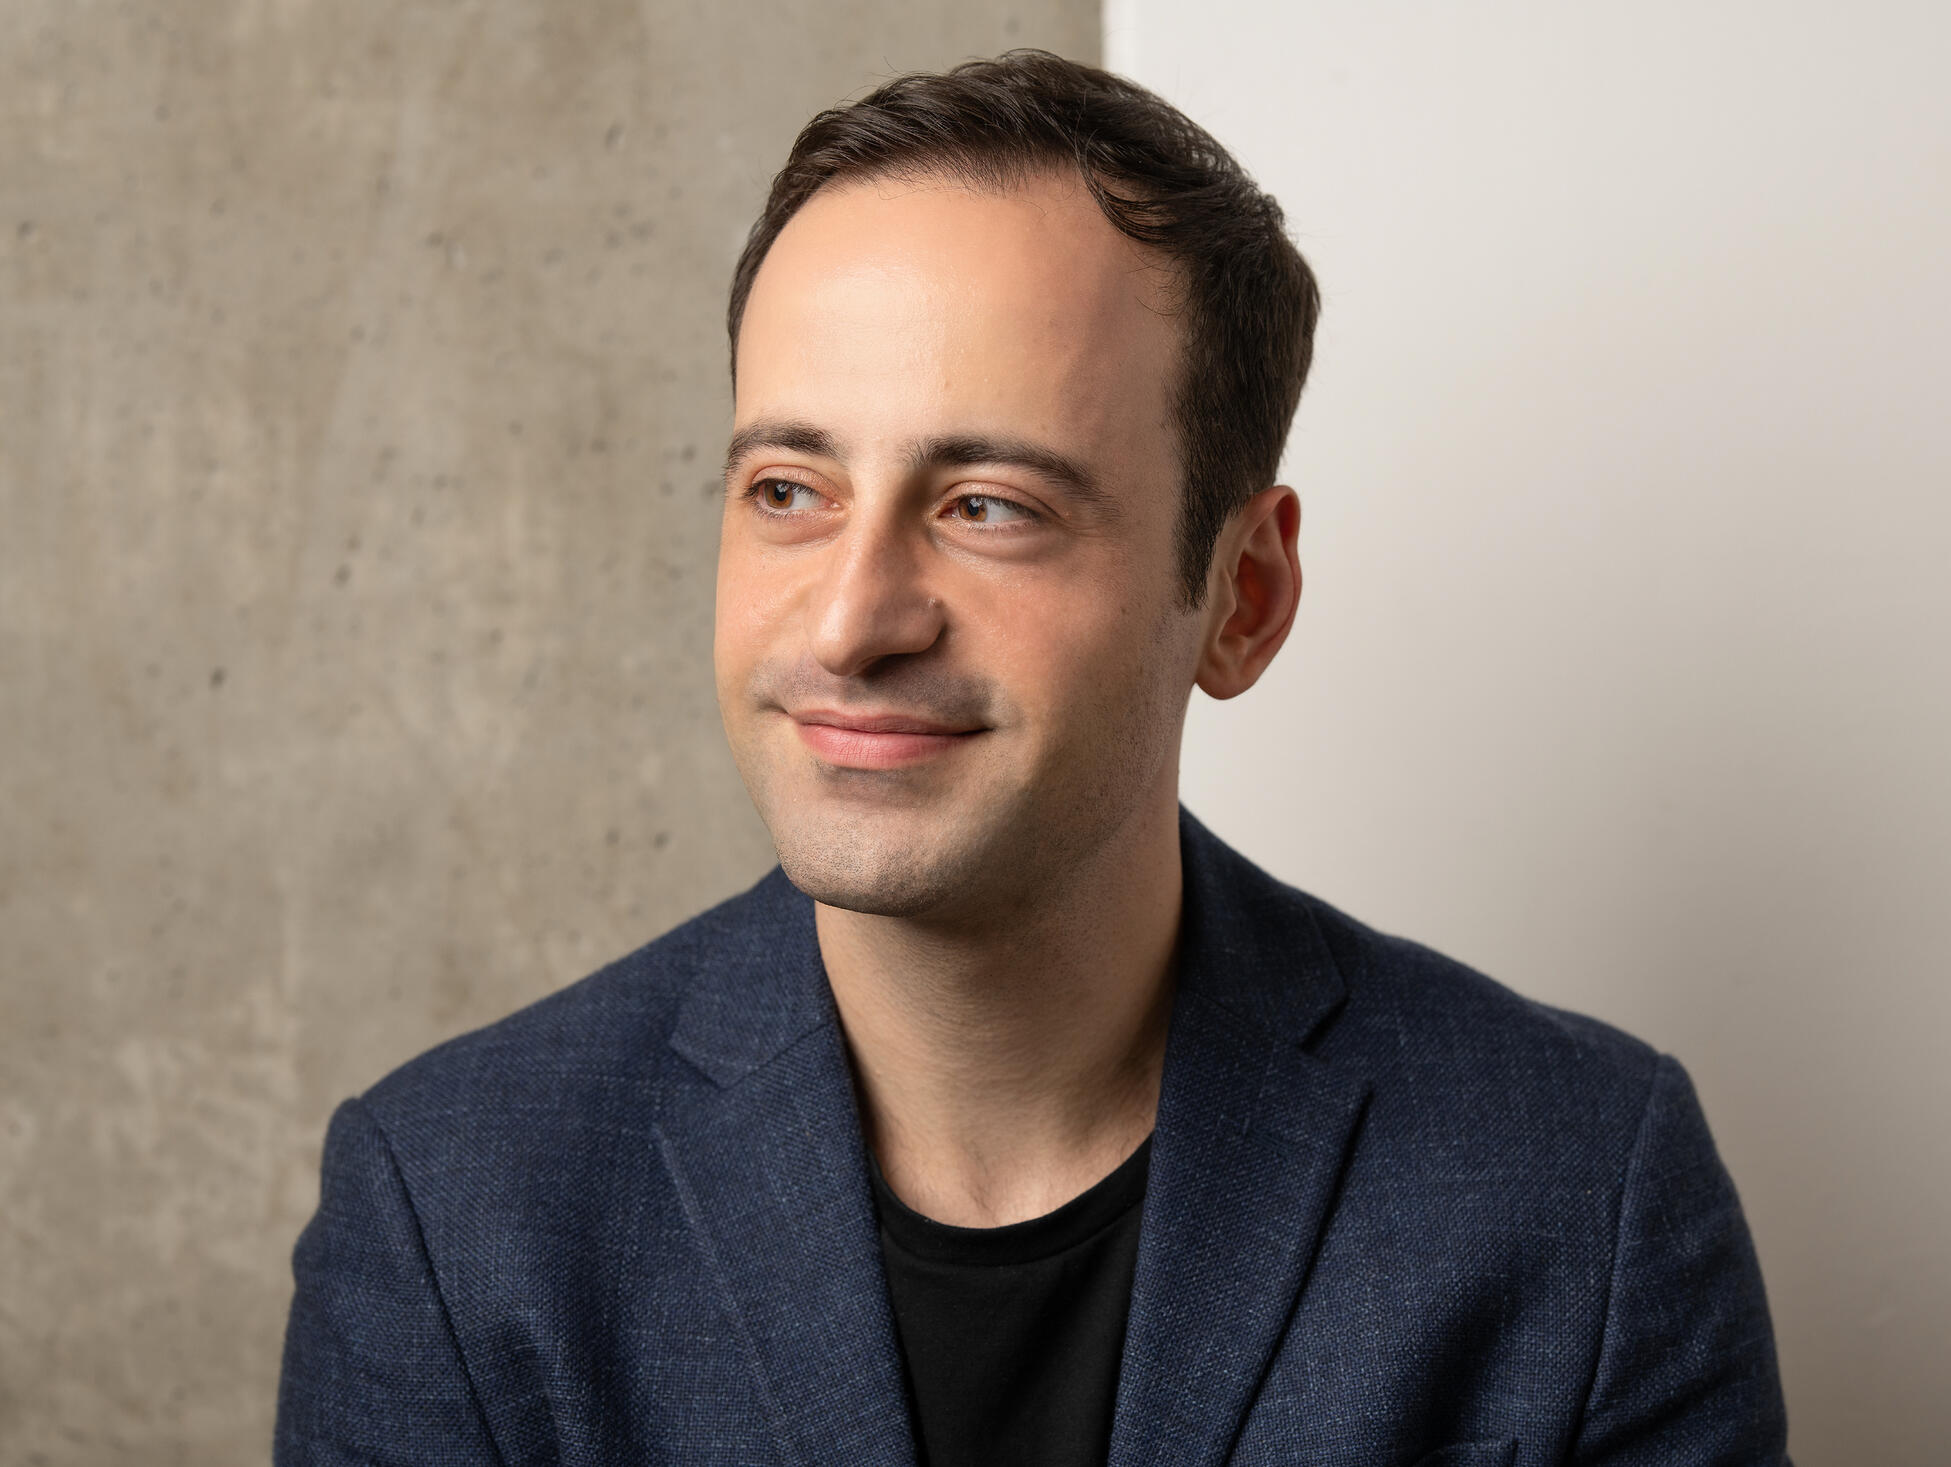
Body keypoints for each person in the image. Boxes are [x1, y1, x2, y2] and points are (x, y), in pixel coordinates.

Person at [275, 50, 1788, 1467]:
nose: (851, 622)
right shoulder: (451, 1215)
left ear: (1242, 598)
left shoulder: (1580, 1192)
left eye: (990, 506)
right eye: (789, 489)